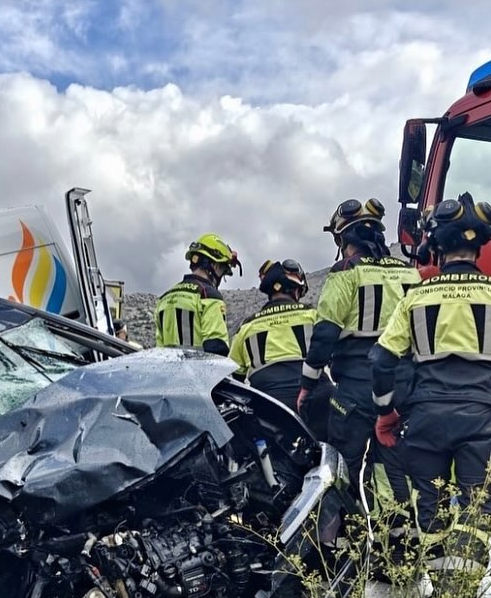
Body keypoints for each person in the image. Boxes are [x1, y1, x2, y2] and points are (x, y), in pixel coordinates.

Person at [369, 192, 491, 534]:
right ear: (481, 246)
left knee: (429, 512)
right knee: (477, 512)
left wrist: (386, 414)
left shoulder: (415, 298)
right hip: (483, 420)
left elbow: (381, 361)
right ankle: (462, 585)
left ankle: (440, 584)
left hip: (425, 420)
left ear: (436, 246)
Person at [297, 198, 421, 506]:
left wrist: (307, 385)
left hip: (357, 387)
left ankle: (339, 540)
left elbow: (325, 335)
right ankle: (397, 535)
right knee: (394, 463)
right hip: (404, 385)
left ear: (343, 239)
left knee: (342, 465)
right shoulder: (409, 273)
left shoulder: (346, 272)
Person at [229, 259, 318, 413]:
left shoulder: (246, 327)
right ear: (296, 290)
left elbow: (234, 376)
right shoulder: (312, 316)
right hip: (314, 401)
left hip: (268, 408)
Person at [154, 233, 241, 356]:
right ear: (215, 266)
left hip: (170, 373)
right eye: (222, 270)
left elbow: (159, 350)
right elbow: (216, 348)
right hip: (199, 373)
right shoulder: (208, 296)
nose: (221, 276)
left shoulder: (164, 298)